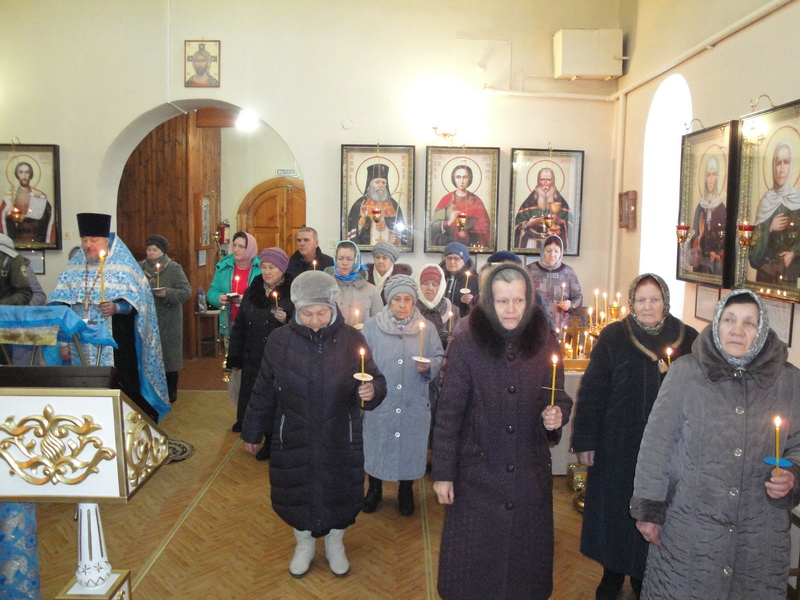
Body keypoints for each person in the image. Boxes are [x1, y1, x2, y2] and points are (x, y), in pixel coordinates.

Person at [631, 289, 800, 600]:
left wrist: (793, 475)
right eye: (729, 320)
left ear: (763, 330)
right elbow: (657, 444)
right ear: (717, 323)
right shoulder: (686, 373)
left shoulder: (788, 381)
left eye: (749, 323)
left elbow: (798, 445)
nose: (737, 330)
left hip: (758, 534)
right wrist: (649, 510)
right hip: (689, 530)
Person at [432, 263, 572, 600]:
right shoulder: (466, 341)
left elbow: (558, 396)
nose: (511, 309)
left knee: (523, 571)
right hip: (477, 476)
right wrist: (443, 474)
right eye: (502, 301)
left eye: (518, 300)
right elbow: (449, 412)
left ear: (529, 300)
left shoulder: (544, 341)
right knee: (473, 569)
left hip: (528, 475)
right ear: (488, 302)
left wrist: (556, 414)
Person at [241, 270, 387, 578]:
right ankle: (303, 543)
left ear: (333, 307)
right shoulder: (280, 341)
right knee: (296, 490)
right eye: (307, 313)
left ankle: (336, 542)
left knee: (339, 489)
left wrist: (372, 390)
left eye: (322, 312)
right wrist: (252, 430)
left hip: (340, 433)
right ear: (297, 308)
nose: (315, 320)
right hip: (293, 432)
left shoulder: (352, 339)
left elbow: (374, 377)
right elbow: (263, 388)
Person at [571, 273, 698, 599]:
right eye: (641, 300)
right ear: (632, 303)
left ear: (665, 302)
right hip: (618, 445)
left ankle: (646, 578)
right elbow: (593, 391)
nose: (647, 306)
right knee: (616, 513)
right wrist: (586, 439)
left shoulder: (688, 339)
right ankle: (612, 574)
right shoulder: (614, 336)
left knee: (655, 511)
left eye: (655, 299)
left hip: (669, 450)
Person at [48, 213, 170, 421]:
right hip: (80, 344)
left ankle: (123, 422)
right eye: (84, 240)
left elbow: (139, 305)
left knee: (121, 387)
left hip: (117, 343)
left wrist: (117, 307)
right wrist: (63, 343)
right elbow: (61, 309)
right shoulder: (73, 268)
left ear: (106, 240)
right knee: (81, 386)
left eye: (94, 240)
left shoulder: (124, 267)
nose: (88, 245)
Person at [361, 275, 444, 516]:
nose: (402, 304)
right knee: (377, 443)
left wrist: (429, 365)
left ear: (414, 301)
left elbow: (439, 357)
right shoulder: (372, 326)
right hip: (381, 401)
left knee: (410, 446)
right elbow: (361, 359)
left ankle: (405, 490)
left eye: (407, 299)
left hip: (412, 400)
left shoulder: (426, 328)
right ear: (389, 300)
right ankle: (374, 488)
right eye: (397, 299)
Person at [227, 247, 293, 454]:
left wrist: (287, 319)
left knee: (276, 400)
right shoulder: (252, 291)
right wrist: (235, 357)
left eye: (272, 267)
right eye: (264, 267)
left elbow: (301, 324)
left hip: (280, 358)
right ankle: (257, 436)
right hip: (253, 355)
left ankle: (273, 441)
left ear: (282, 269)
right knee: (255, 398)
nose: (267, 272)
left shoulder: (292, 292)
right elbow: (240, 325)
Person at [138, 234, 192, 404]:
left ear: (162, 251)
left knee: (169, 356)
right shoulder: (139, 268)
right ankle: (149, 390)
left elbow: (186, 292)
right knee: (148, 354)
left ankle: (170, 391)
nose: (151, 253)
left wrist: (167, 293)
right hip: (147, 318)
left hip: (168, 320)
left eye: (154, 249)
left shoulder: (174, 268)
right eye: (149, 249)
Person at [749, 141, 800, 284]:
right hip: (765, 279)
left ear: (792, 166)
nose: (782, 169)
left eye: (786, 162)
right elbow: (753, 257)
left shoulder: (797, 200)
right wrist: (769, 228)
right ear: (773, 166)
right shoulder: (766, 202)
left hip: (788, 278)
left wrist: (793, 253)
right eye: (778, 163)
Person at [526, 234, 583, 331]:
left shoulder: (568, 272)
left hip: (561, 325)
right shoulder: (530, 270)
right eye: (548, 251)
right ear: (542, 251)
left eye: (556, 251)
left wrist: (570, 304)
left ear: (561, 253)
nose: (552, 254)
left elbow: (579, 298)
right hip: (535, 324)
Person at [430, 164, 491, 247]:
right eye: (458, 177)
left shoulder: (476, 201)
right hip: (449, 246)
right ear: (453, 179)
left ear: (470, 179)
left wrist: (468, 233)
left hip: (469, 246)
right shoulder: (446, 200)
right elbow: (433, 227)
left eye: (465, 177)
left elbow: (486, 230)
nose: (461, 181)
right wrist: (448, 223)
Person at [346, 163, 407, 246]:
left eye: (383, 182)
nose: (381, 185)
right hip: (366, 249)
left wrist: (397, 240)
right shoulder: (359, 204)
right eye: (377, 182)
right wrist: (363, 218)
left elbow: (402, 235)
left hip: (388, 250)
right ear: (370, 184)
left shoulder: (394, 205)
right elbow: (352, 235)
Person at [513, 167, 572, 250]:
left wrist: (560, 221)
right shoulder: (528, 204)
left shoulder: (561, 204)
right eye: (542, 180)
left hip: (554, 246)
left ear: (553, 182)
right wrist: (529, 224)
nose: (545, 184)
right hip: (531, 245)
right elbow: (516, 227)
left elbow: (572, 227)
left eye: (548, 180)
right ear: (538, 181)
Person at [325, 240, 382, 326]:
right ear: (335, 260)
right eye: (340, 259)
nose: (345, 263)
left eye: (349, 259)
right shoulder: (326, 287)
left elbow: (378, 322)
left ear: (356, 261)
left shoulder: (371, 290)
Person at [0, 161, 55, 245]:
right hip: (16, 240)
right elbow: (2, 219)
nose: (24, 176)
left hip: (35, 240)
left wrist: (41, 201)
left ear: (31, 174)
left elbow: (49, 217)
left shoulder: (39, 195)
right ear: (17, 175)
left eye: (27, 172)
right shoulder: (9, 196)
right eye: (21, 172)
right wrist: (8, 214)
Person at [688, 156, 727, 275]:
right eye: (708, 175)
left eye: (714, 174)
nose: (710, 179)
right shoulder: (700, 207)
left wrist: (719, 254)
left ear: (718, 178)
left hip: (716, 266)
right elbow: (693, 239)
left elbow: (725, 239)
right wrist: (700, 237)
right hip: (702, 266)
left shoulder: (722, 208)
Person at [439, 242, 478, 318]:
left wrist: (473, 301)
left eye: (456, 258)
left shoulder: (475, 280)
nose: (452, 262)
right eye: (449, 258)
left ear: (464, 260)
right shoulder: (438, 277)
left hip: (464, 321)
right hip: (440, 320)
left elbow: (483, 304)